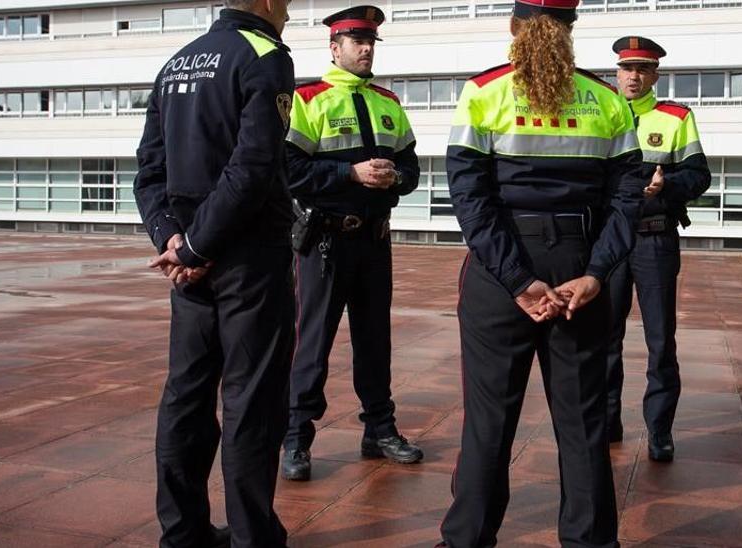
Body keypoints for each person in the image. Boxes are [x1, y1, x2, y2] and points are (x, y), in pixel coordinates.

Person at [436, 0, 646, 544]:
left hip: (500, 270)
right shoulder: (607, 100)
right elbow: (626, 200)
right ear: (570, 30)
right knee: (583, 422)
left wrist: (516, 280)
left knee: (488, 420)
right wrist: (596, 273)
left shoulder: (483, 92)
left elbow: (470, 199)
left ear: (514, 27)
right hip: (580, 267)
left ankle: (467, 539)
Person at [132, 0, 297, 544]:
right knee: (252, 401)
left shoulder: (177, 61)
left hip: (188, 263)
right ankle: (253, 537)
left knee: (186, 395)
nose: (288, 11)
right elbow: (253, 166)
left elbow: (149, 170)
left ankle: (183, 535)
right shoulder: (265, 55)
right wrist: (197, 246)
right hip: (246, 259)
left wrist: (174, 240)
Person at [280, 5, 423, 482]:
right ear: (334, 47)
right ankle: (296, 438)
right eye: (357, 42)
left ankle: (379, 430)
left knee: (375, 341)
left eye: (370, 42)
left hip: (374, 242)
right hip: (325, 242)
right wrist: (350, 173)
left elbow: (412, 171)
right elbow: (290, 171)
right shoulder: (308, 99)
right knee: (312, 343)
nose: (365, 50)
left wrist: (394, 177)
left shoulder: (389, 102)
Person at [604, 36, 711, 462]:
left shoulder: (676, 118)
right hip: (609, 242)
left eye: (643, 69)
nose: (634, 76)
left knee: (660, 341)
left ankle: (660, 430)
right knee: (603, 338)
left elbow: (699, 176)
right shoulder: (600, 113)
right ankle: (607, 421)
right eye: (627, 68)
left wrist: (668, 186)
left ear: (655, 76)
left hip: (655, 238)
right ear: (617, 73)